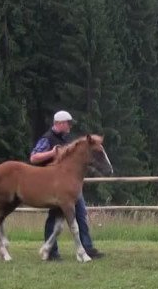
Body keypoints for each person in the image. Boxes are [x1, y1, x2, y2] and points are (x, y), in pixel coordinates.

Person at [29, 110, 104, 261]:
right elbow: (34, 158)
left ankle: (87, 248)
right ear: (60, 123)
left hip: (71, 185)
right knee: (54, 217)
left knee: (81, 215)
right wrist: (51, 153)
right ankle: (51, 251)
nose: (70, 126)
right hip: (54, 185)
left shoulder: (66, 139)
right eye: (68, 123)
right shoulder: (47, 139)